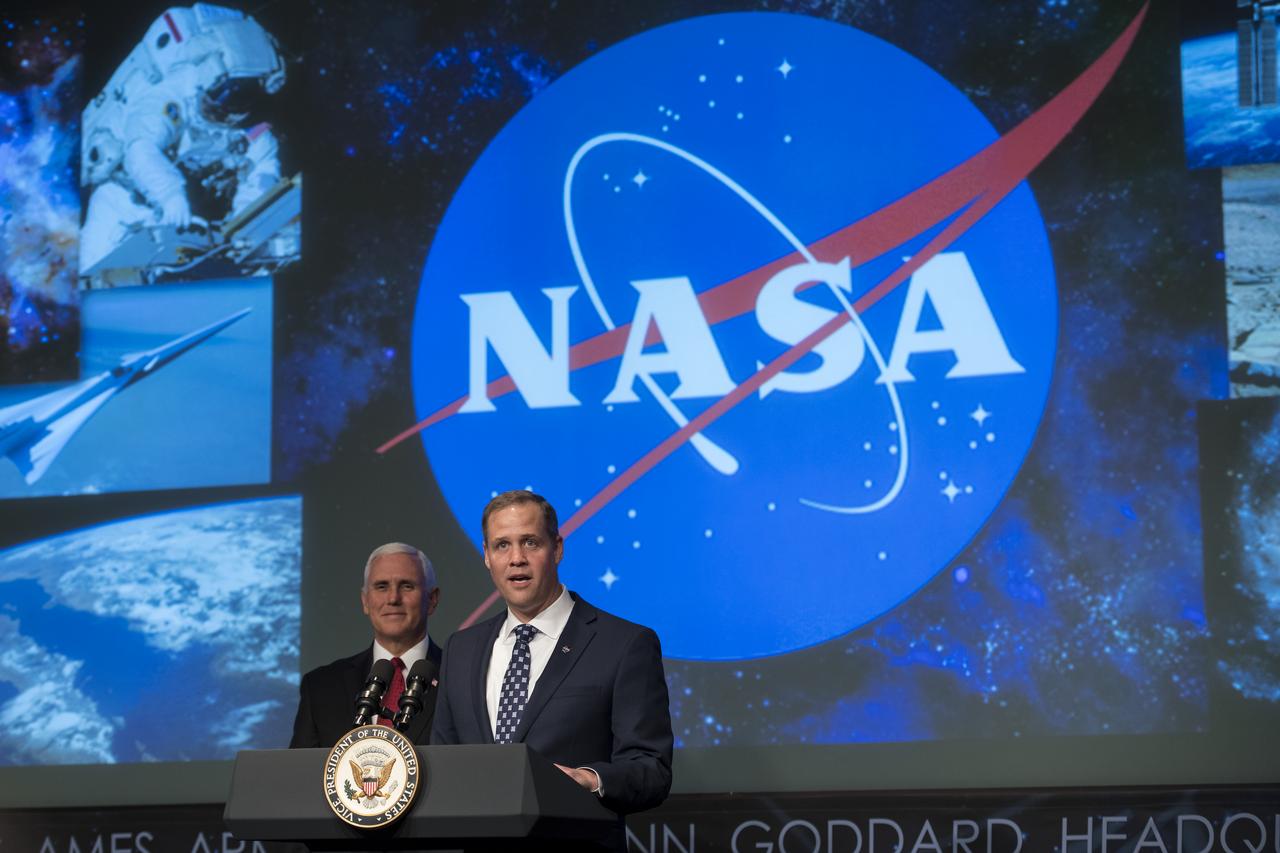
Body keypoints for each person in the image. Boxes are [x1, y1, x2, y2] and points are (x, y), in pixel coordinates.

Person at [431, 490, 673, 825]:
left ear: (557, 548)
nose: (517, 558)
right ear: (487, 556)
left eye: (530, 542)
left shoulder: (624, 644)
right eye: (502, 545)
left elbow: (651, 768)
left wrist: (591, 780)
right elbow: (443, 765)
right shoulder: (460, 649)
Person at [290, 543, 442, 748]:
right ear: (365, 601)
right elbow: (300, 773)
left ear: (432, 600)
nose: (393, 598)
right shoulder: (320, 687)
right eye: (381, 586)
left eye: (407, 586)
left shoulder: (459, 680)